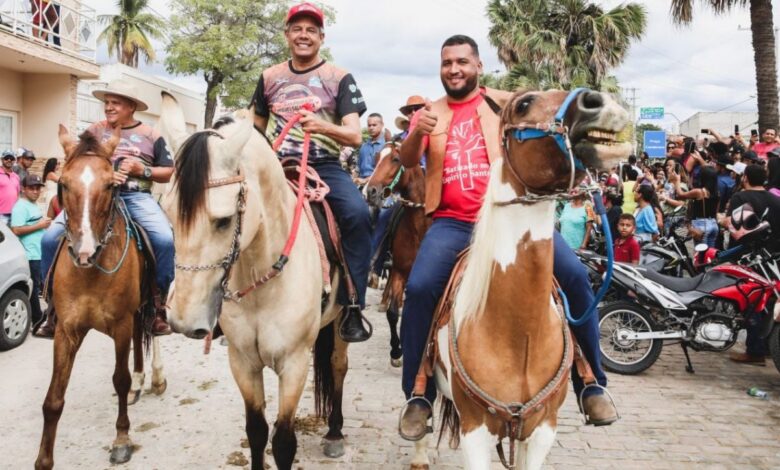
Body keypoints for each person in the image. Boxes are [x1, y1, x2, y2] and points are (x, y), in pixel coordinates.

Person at [396, 34, 616, 441]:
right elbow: (408, 160)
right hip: (453, 223)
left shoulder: (507, 103)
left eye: (462, 61)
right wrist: (415, 134)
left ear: (478, 66)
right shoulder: (429, 113)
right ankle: (418, 391)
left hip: (512, 218)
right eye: (447, 63)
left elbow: (551, 126)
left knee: (575, 277)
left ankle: (591, 382)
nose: (454, 69)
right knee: (421, 288)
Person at [251, 2, 371, 343]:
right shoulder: (269, 77)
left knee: (359, 215)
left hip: (324, 166)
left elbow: (354, 135)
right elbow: (256, 127)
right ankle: (226, 302)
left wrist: (320, 126)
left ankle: (353, 303)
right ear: (287, 35)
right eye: (297, 29)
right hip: (278, 167)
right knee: (234, 208)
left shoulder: (339, 77)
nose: (303, 35)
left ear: (321, 37)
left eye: (311, 30)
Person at [39, 80, 174, 336]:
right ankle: (52, 306)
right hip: (93, 198)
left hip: (135, 197)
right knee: (48, 239)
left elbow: (168, 172)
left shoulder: (151, 135)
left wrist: (141, 170)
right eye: (107, 102)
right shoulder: (94, 131)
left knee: (165, 239)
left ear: (131, 106)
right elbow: (77, 160)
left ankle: (158, 306)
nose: (109, 107)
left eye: (116, 103)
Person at [722, 165, 780, 365]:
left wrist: (722, 221)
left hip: (749, 259)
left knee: (751, 303)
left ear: (745, 178)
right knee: (770, 302)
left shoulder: (741, 197)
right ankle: (769, 346)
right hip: (772, 260)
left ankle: (755, 350)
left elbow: (732, 223)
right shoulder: (775, 200)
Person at [10, 175, 51, 326]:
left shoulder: (33, 204)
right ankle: (37, 319)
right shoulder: (20, 207)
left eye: (38, 188)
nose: (35, 191)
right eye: (32, 188)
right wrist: (41, 225)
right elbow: (16, 230)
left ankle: (42, 316)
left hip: (40, 252)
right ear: (23, 189)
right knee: (34, 288)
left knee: (42, 286)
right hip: (31, 254)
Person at [671, 165, 720, 248]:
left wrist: (677, 180)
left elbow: (680, 194)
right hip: (713, 224)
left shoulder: (699, 192)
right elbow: (716, 212)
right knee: (710, 253)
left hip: (701, 225)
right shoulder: (717, 193)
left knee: (700, 254)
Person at [355, 113, 385, 183]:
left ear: (382, 125)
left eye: (374, 125)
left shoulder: (386, 146)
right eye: (369, 125)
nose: (371, 128)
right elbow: (358, 169)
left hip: (378, 184)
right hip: (360, 183)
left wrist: (366, 180)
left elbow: (385, 172)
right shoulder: (363, 146)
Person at [0, 151, 21, 224]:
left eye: (11, 158)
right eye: (6, 158)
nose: (9, 160)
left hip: (14, 214)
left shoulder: (16, 176)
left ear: (14, 161)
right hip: (1, 214)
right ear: (2, 159)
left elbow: (17, 195)